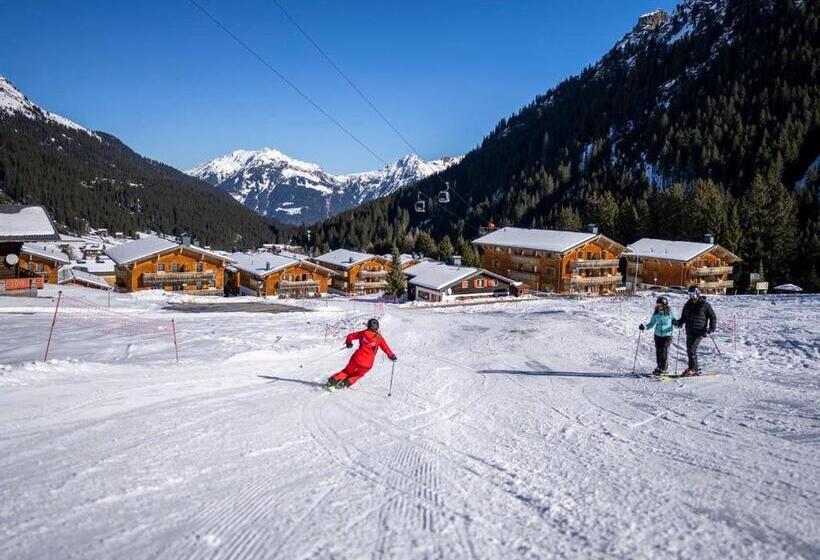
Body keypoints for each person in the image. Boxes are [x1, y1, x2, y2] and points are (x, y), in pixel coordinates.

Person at [326, 318, 397, 390]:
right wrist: (392, 356)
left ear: (368, 326)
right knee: (359, 374)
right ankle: (346, 383)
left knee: (347, 371)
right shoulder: (379, 338)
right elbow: (386, 348)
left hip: (356, 358)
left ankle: (332, 381)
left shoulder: (363, 333)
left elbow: (350, 336)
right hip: (367, 364)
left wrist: (349, 343)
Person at [674, 286, 717, 377]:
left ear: (698, 294)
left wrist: (711, 329)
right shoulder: (688, 304)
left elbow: (713, 317)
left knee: (692, 349)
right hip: (689, 330)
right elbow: (684, 317)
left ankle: (693, 369)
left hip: (700, 331)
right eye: (689, 295)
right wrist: (679, 322)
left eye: (693, 294)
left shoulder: (705, 305)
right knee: (690, 350)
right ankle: (693, 368)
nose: (691, 297)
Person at [639, 296, 674, 375]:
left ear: (665, 305)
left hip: (667, 335)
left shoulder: (670, 312)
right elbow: (651, 324)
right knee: (658, 351)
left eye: (660, 305)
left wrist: (676, 323)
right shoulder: (656, 313)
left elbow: (674, 320)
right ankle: (659, 367)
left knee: (664, 351)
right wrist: (644, 327)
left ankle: (663, 368)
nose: (658, 306)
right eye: (657, 304)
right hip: (657, 335)